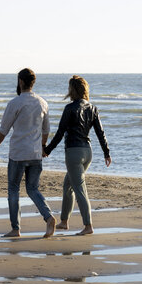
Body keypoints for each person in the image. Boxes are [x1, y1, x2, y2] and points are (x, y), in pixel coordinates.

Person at [0, 68, 56, 238]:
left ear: (20, 81)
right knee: (33, 189)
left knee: (13, 189)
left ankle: (15, 228)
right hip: (35, 154)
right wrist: (42, 145)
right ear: (33, 83)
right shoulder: (43, 103)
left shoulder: (15, 103)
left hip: (18, 153)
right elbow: (46, 129)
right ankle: (48, 217)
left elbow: (3, 130)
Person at [43, 75, 111, 235]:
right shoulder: (92, 108)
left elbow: (60, 133)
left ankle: (88, 226)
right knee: (68, 186)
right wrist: (106, 152)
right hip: (88, 152)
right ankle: (64, 222)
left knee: (80, 188)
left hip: (74, 153)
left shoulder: (70, 108)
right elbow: (100, 132)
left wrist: (47, 150)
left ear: (72, 90)